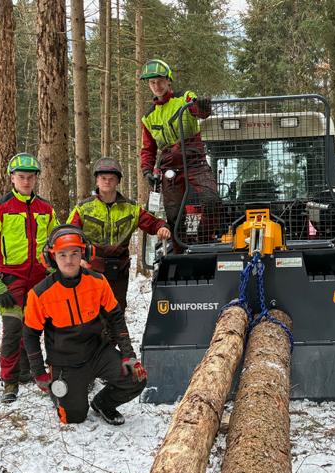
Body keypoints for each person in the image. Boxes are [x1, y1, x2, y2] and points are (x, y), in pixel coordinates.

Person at [23, 224, 147, 425]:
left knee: (136, 377)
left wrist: (128, 354)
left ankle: (103, 403)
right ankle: (63, 392)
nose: (69, 260)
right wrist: (39, 372)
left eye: (74, 253)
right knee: (74, 417)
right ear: (51, 257)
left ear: (84, 253)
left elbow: (116, 317)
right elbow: (30, 334)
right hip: (65, 361)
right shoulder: (40, 294)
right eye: (62, 254)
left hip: (98, 352)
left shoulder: (98, 282)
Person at [0, 153, 58, 403]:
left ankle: (42, 370)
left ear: (36, 178)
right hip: (12, 277)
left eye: (30, 177)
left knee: (46, 325)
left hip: (41, 277)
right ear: (12, 178)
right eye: (21, 177)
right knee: (12, 327)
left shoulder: (46, 209)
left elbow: (56, 242)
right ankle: (10, 380)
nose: (26, 181)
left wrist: (55, 270)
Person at [67, 157, 170, 313]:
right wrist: (77, 259)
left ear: (118, 181)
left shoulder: (131, 208)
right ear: (97, 180)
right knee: (89, 310)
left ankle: (117, 329)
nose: (107, 181)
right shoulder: (83, 208)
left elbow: (153, 223)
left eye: (111, 178)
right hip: (90, 268)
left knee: (116, 310)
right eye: (103, 178)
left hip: (119, 269)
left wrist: (162, 228)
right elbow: (69, 234)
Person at [139, 58, 220, 245]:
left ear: (169, 80)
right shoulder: (148, 117)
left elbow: (200, 111)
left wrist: (202, 106)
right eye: (152, 82)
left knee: (211, 201)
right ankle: (179, 251)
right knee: (175, 216)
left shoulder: (184, 98)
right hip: (170, 168)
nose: (157, 86)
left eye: (160, 81)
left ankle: (203, 240)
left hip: (195, 162)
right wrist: (147, 170)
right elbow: (148, 148)